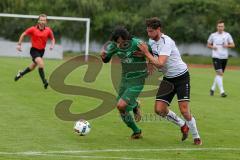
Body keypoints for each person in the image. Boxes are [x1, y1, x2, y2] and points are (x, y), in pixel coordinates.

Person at [138, 17, 202, 145]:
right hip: (168, 79)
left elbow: (160, 63)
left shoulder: (167, 42)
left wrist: (146, 53)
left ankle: (196, 136)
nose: (149, 34)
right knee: (159, 109)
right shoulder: (151, 41)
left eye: (151, 31)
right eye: (148, 31)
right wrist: (149, 62)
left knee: (184, 110)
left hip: (181, 77)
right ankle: (183, 125)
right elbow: (152, 55)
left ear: (158, 29)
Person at [101, 26, 150, 139]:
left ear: (125, 38)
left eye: (118, 41)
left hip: (138, 79)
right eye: (115, 41)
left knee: (121, 105)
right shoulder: (115, 45)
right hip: (125, 80)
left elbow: (155, 54)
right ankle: (136, 131)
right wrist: (103, 57)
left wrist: (146, 56)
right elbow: (106, 59)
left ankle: (134, 105)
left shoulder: (138, 43)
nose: (117, 44)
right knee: (121, 108)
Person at [14, 14, 55, 89]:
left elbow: (52, 39)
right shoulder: (33, 29)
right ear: (38, 21)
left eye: (44, 20)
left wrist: (52, 45)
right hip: (34, 50)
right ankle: (44, 82)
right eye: (41, 20)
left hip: (42, 51)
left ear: (46, 21)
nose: (42, 22)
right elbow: (23, 34)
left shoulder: (48, 30)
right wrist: (19, 44)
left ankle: (21, 74)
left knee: (32, 67)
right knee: (41, 64)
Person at [207, 20, 235, 97]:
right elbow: (208, 44)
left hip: (224, 57)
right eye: (219, 26)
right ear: (217, 27)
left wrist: (227, 45)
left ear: (224, 27)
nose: (220, 28)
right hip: (216, 56)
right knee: (220, 73)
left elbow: (233, 45)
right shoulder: (213, 35)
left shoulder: (227, 35)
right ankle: (222, 92)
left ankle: (212, 89)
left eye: (222, 26)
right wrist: (213, 47)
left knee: (219, 74)